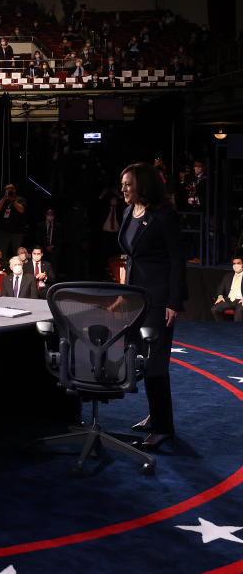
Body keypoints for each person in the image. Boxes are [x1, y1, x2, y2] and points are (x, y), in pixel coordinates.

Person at [118, 161, 188, 449]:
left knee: (156, 363)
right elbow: (130, 257)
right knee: (144, 362)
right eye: (122, 183)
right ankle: (155, 415)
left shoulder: (164, 216)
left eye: (128, 184)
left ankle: (163, 428)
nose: (123, 188)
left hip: (159, 301)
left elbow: (177, 260)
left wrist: (174, 301)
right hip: (136, 299)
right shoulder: (127, 212)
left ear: (143, 186)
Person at [0, 184, 27, 259]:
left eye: (11, 189)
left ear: (14, 190)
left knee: (18, 252)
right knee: (2, 252)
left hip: (17, 231)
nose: (9, 191)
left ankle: (18, 268)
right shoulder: (3, 199)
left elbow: (21, 210)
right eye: (7, 190)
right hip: (4, 231)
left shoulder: (20, 199)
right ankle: (3, 268)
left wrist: (13, 200)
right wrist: (4, 198)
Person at [211, 257, 243, 321]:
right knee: (214, 309)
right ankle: (222, 326)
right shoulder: (228, 275)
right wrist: (220, 296)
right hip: (229, 300)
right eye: (234, 263)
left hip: (241, 300)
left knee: (238, 313)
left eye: (238, 263)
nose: (236, 265)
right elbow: (221, 287)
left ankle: (237, 330)